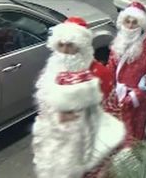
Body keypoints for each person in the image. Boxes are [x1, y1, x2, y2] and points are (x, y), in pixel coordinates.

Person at [32, 17, 125, 178]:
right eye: (61, 45)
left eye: (70, 45)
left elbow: (113, 113)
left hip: (88, 151)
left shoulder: (100, 74)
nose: (65, 51)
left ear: (81, 47)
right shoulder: (50, 72)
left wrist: (109, 159)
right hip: (55, 150)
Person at [106, 2, 146, 145]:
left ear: (142, 25)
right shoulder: (117, 45)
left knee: (133, 138)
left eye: (134, 22)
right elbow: (110, 71)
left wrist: (134, 97)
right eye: (127, 21)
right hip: (116, 100)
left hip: (138, 104)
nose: (130, 26)